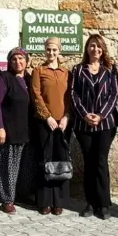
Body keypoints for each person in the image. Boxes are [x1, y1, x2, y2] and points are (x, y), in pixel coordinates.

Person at [71, 34, 118, 220]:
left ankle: (104, 203)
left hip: (105, 124)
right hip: (84, 125)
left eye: (98, 47)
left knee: (100, 161)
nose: (95, 50)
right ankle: (90, 203)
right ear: (87, 49)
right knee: (89, 162)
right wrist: (85, 115)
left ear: (103, 49)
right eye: (92, 46)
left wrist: (100, 115)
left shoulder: (110, 70)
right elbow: (74, 95)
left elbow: (113, 95)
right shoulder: (77, 70)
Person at [30, 37, 72, 216]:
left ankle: (58, 201)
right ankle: (44, 201)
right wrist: (47, 117)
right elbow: (36, 94)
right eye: (48, 49)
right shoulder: (39, 71)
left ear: (59, 51)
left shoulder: (66, 73)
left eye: (54, 50)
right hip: (44, 123)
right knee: (45, 160)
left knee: (60, 160)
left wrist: (66, 117)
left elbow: (70, 97)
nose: (51, 53)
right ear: (44, 50)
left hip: (62, 124)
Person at [0, 47, 32, 214]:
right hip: (10, 130)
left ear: (26, 61)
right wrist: (0, 127)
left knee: (24, 167)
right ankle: (6, 199)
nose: (18, 62)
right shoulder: (4, 78)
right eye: (14, 59)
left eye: (21, 59)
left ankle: (20, 194)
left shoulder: (29, 79)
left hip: (27, 131)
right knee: (8, 166)